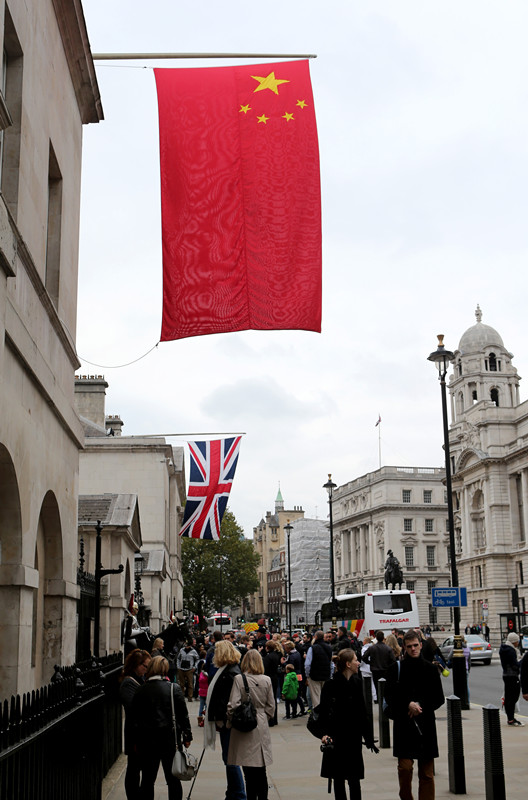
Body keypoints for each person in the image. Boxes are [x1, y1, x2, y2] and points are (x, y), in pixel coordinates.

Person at [384, 629, 445, 800]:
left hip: (425, 724)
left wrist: (420, 706)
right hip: (404, 724)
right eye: (409, 646)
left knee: (426, 773)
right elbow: (388, 695)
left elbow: (439, 698)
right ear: (404, 647)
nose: (413, 649)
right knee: (405, 768)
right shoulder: (395, 669)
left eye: (416, 645)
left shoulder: (431, 670)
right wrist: (407, 705)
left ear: (420, 645)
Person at [319, 648, 377, 800]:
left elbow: (362, 712)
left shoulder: (357, 682)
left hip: (353, 737)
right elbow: (324, 712)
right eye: (356, 660)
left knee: (354, 779)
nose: (358, 662)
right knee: (339, 779)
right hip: (337, 737)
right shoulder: (330, 685)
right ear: (348, 664)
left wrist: (369, 737)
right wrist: (324, 733)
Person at [131, 656, 192, 800]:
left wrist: (135, 740)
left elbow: (135, 718)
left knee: (147, 780)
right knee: (173, 780)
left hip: (147, 741)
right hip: (170, 740)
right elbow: (183, 715)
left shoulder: (141, 690)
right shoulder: (173, 688)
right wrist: (187, 735)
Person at [227, 649, 275, 800]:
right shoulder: (267, 679)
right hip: (260, 724)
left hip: (244, 726)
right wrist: (262, 717)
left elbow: (232, 705)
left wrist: (231, 721)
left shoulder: (239, 679)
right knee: (261, 770)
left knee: (248, 771)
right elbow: (271, 706)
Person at [204, 640, 246, 800]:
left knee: (231, 759)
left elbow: (229, 702)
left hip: (229, 722)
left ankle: (239, 794)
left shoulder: (229, 673)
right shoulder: (229, 670)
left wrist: (223, 719)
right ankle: (233, 791)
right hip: (228, 721)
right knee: (229, 758)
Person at [119, 648, 151, 800]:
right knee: (133, 768)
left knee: (140, 768)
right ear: (136, 665)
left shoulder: (140, 680)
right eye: (145, 666)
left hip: (141, 732)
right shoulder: (128, 683)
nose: (146, 670)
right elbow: (132, 708)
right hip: (134, 732)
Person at [499, 632, 524, 726]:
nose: (518, 642)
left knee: (509, 696)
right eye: (517, 641)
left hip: (506, 675)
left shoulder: (504, 649)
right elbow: (515, 666)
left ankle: (510, 717)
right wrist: (522, 660)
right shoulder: (511, 651)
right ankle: (511, 718)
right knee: (513, 697)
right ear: (514, 642)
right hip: (512, 675)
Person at [305, 630, 333, 708]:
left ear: (315, 637)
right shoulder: (329, 648)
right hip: (326, 675)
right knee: (325, 696)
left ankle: (317, 715)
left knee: (316, 697)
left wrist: (307, 675)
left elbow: (307, 664)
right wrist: (330, 674)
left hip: (314, 676)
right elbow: (331, 663)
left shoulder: (312, 648)